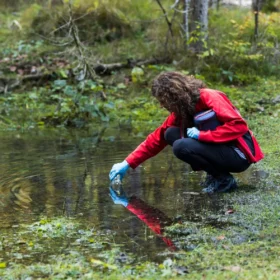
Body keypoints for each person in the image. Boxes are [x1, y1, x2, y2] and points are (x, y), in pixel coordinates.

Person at [109, 71, 264, 194]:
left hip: (238, 155)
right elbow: (157, 138)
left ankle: (223, 180)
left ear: (174, 96)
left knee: (180, 146)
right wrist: (127, 163)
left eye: (163, 101)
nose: (162, 105)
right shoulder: (183, 110)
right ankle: (215, 175)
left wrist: (202, 135)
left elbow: (238, 126)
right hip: (221, 151)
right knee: (169, 134)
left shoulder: (209, 96)